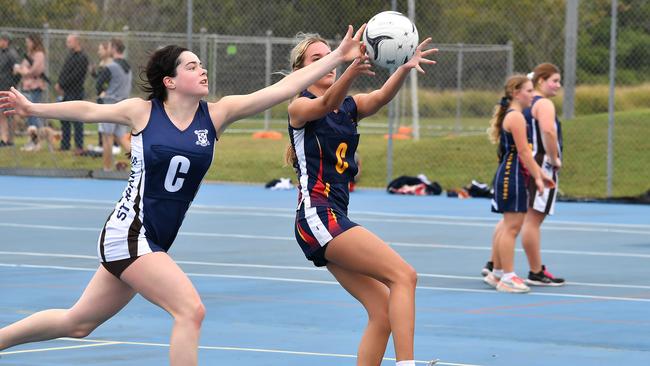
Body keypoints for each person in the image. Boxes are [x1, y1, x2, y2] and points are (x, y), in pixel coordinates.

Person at [0, 24, 367, 366]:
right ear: (170, 81)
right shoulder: (143, 112)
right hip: (130, 233)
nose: (202, 70)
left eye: (202, 64)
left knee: (78, 322)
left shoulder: (216, 115)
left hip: (153, 240)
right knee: (190, 310)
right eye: (192, 66)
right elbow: (89, 109)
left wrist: (337, 57)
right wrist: (34, 107)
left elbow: (282, 90)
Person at [285, 33, 437, 366]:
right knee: (404, 275)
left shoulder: (349, 108)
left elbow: (381, 96)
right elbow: (323, 106)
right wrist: (350, 67)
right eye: (318, 58)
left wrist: (404, 67)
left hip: (331, 217)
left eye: (330, 55)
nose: (328, 62)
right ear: (302, 70)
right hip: (317, 215)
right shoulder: (299, 106)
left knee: (382, 312)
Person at [481, 63, 566, 287]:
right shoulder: (517, 117)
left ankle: (498, 271)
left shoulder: (515, 115)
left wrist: (538, 175)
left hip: (513, 172)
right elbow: (524, 151)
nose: (532, 95)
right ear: (516, 93)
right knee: (513, 226)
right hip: (513, 174)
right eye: (528, 91)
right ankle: (508, 276)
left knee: (509, 224)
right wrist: (539, 175)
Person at [97, 38, 132, 171]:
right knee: (121, 137)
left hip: (110, 106)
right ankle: (143, 163)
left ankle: (107, 169)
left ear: (114, 48)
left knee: (107, 137)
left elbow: (99, 84)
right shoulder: (128, 67)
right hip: (124, 105)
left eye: (110, 46)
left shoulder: (111, 66)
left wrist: (102, 93)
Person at [56, 33, 89, 152]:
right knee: (64, 118)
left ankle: (79, 146)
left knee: (77, 119)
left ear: (77, 42)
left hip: (76, 92)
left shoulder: (82, 57)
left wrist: (63, 83)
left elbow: (76, 75)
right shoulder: (70, 56)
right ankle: (65, 145)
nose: (67, 44)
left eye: (70, 41)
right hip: (66, 92)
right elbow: (64, 71)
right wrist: (59, 83)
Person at [14, 34, 46, 151]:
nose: (27, 44)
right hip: (26, 87)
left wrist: (23, 71)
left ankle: (36, 142)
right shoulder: (28, 55)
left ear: (34, 42)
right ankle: (32, 140)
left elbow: (36, 71)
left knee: (33, 114)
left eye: (28, 41)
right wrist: (20, 69)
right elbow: (22, 67)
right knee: (29, 115)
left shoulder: (39, 55)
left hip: (35, 88)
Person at [0, 31, 19, 147]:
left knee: (8, 114)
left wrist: (12, 86)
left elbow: (17, 73)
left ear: (5, 41)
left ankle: (9, 139)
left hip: (7, 87)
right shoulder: (1, 53)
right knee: (2, 113)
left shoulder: (12, 54)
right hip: (1, 86)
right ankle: (4, 139)